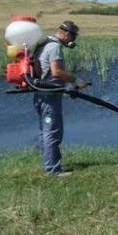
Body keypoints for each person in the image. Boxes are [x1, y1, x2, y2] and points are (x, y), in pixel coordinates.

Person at [33, 20, 88, 176]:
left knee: (45, 131)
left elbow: (47, 73)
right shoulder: (55, 47)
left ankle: (49, 165)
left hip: (40, 95)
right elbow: (56, 72)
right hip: (49, 98)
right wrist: (76, 80)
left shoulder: (43, 44)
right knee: (52, 132)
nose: (73, 41)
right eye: (73, 37)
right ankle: (53, 170)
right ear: (65, 33)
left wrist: (67, 87)